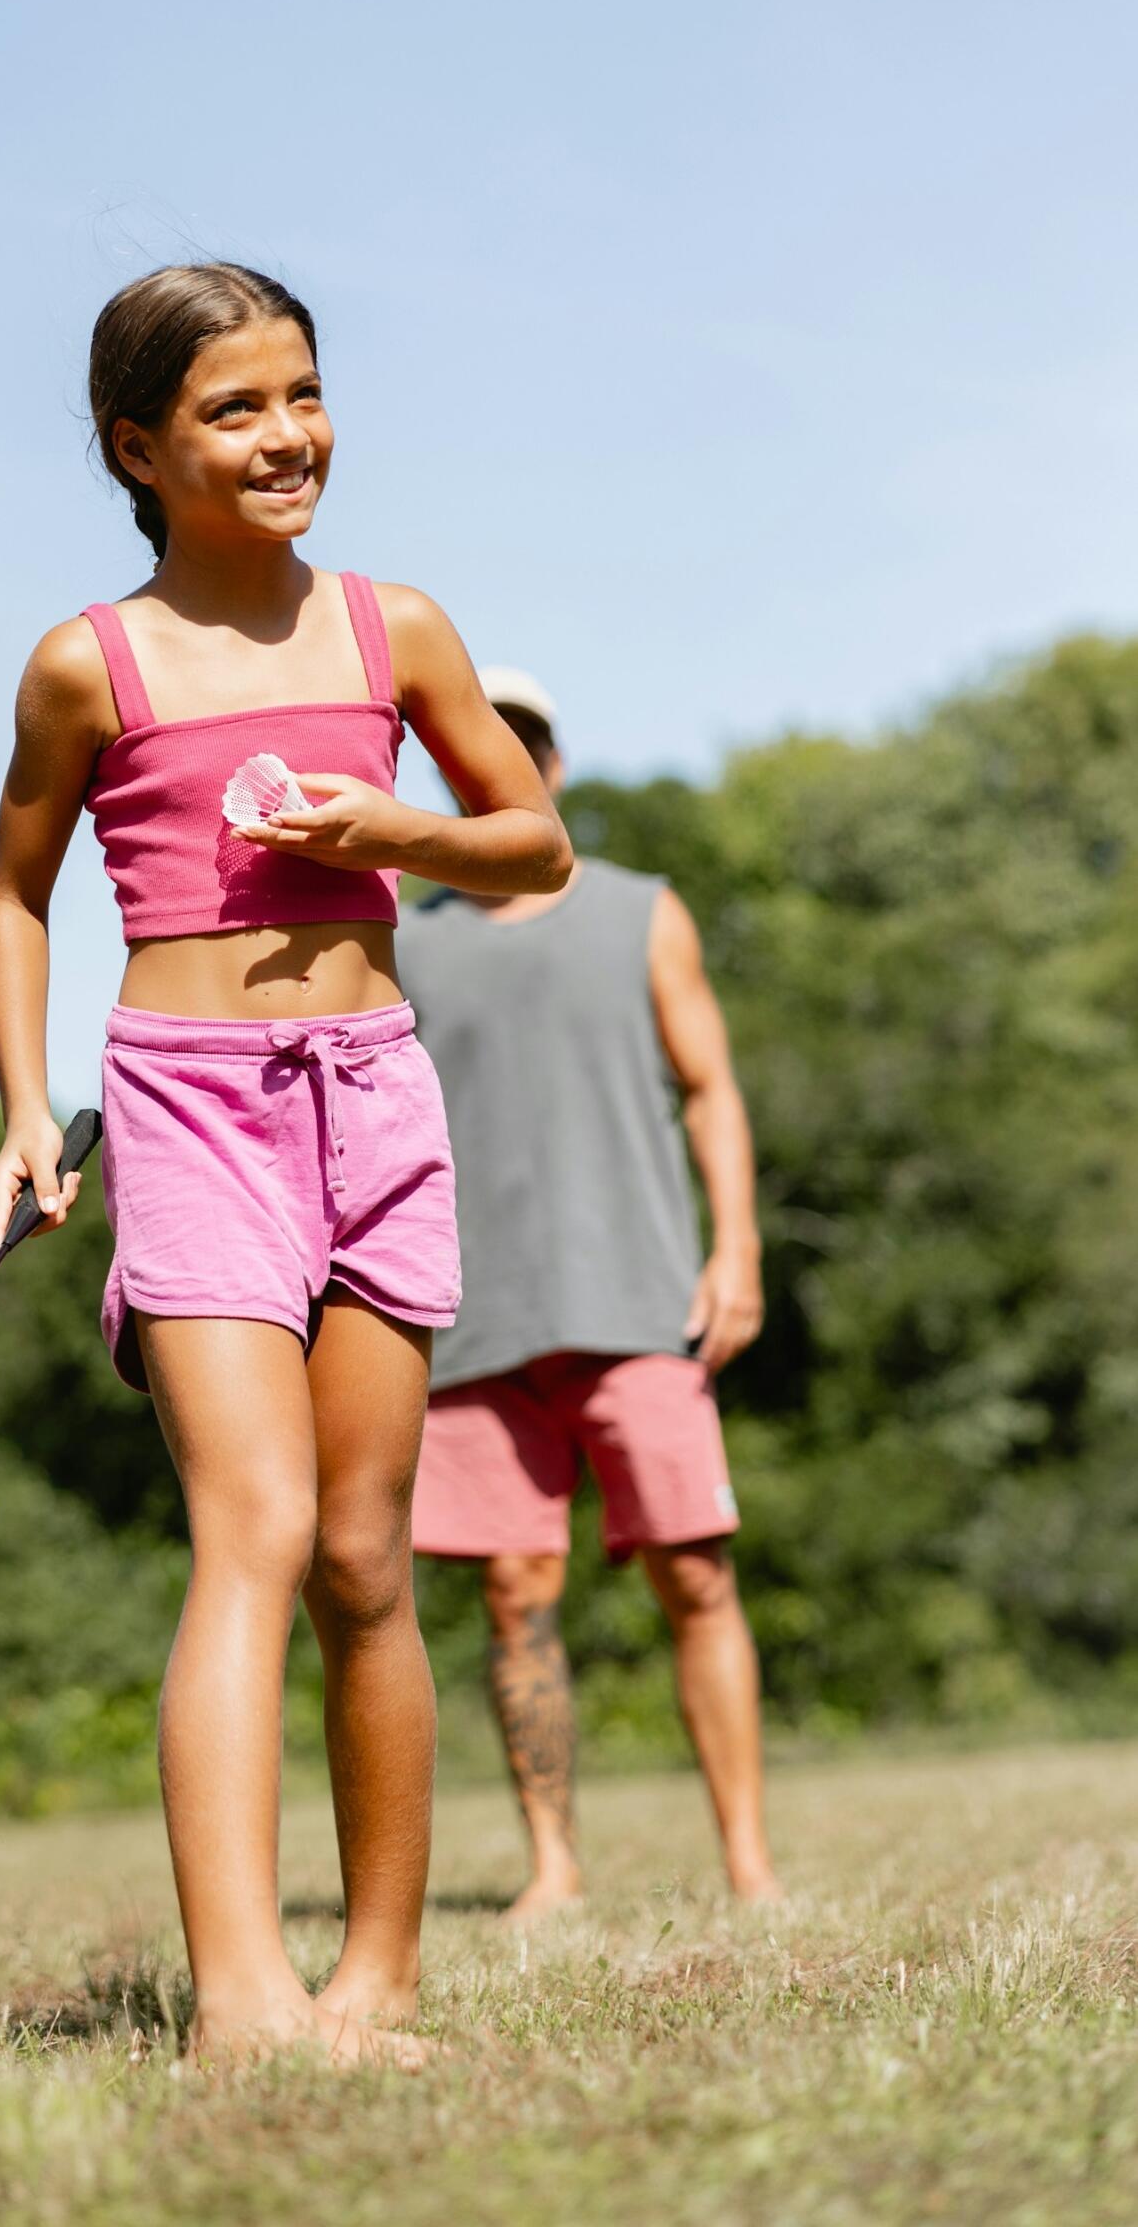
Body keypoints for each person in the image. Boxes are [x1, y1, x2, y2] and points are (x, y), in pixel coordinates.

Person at [0, 265, 572, 2064]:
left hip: (373, 1095)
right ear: (135, 448)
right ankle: (239, 2000)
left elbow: (530, 845)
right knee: (256, 1525)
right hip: (188, 1101)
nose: (286, 432)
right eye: (233, 409)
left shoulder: (398, 631)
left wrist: (404, 829)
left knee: (368, 1557)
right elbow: (13, 895)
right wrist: (21, 1106)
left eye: (300, 392)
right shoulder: (92, 662)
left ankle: (372, 1980)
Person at [402, 668, 779, 1915]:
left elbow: (710, 1087)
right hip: (471, 1318)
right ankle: (553, 1868)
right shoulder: (399, 935)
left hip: (636, 1300)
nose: (500, 763)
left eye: (524, 746)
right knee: (515, 1596)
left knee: (697, 1574)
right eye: (474, 748)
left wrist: (736, 1250)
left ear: (552, 769)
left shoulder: (640, 912)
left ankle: (748, 1866)